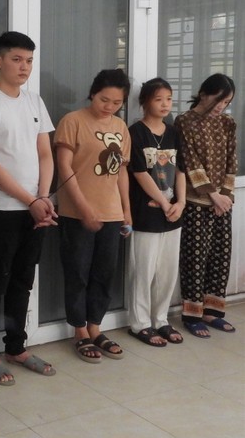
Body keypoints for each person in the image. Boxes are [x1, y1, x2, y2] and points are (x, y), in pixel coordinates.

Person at [0, 32, 57, 385]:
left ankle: (17, 347)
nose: (24, 67)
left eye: (29, 61)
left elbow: (45, 153)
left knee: (23, 280)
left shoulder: (35, 101)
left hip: (37, 208)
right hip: (1, 210)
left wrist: (43, 197)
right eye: (17, 59)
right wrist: (30, 200)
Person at [54, 69, 131, 363]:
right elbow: (64, 167)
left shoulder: (121, 127)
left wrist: (126, 210)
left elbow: (121, 171)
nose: (109, 107)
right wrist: (84, 208)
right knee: (78, 272)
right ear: (92, 93)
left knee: (104, 272)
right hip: (76, 212)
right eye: (103, 99)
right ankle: (80, 331)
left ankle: (96, 327)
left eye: (116, 103)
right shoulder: (72, 121)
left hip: (111, 213)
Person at [174, 73, 237, 338]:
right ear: (203, 94)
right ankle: (192, 314)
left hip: (223, 203)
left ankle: (213, 312)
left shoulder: (228, 123)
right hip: (196, 201)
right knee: (195, 258)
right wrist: (213, 195)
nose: (221, 106)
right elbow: (189, 161)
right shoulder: (184, 121)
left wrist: (225, 196)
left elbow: (232, 160)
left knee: (221, 256)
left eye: (227, 102)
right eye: (219, 100)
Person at [127, 78, 186, 346]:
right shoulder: (136, 132)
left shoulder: (173, 133)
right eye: (158, 99)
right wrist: (163, 202)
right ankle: (140, 323)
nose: (165, 104)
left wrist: (180, 202)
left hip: (173, 212)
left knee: (167, 271)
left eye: (169, 99)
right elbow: (139, 173)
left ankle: (161, 320)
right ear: (145, 102)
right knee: (144, 269)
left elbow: (181, 170)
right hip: (147, 212)